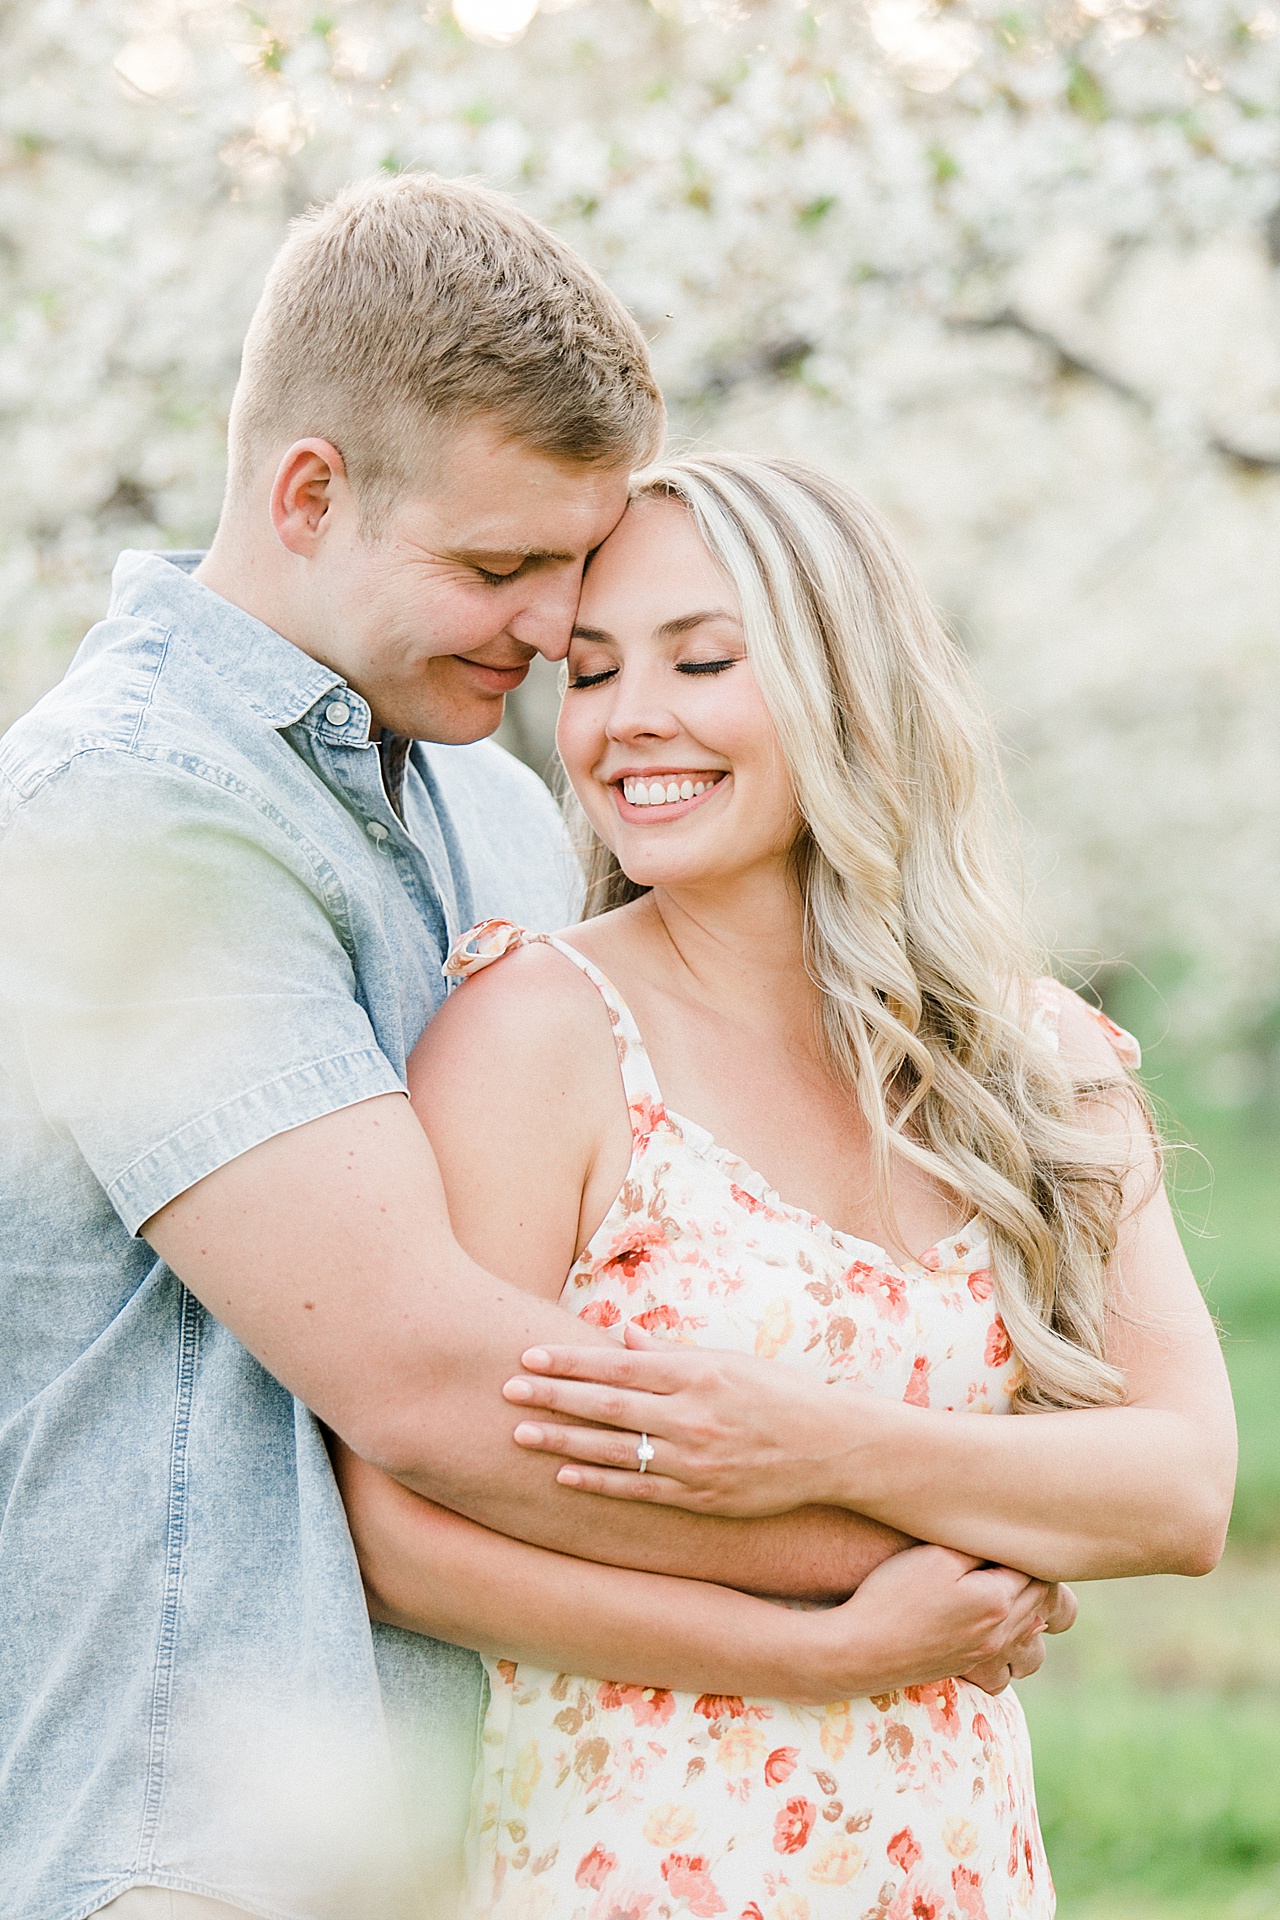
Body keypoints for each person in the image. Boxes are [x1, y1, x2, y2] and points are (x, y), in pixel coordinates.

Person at [0, 178, 1048, 1920]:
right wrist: (933, 1552)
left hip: (475, 1837)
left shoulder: (486, 801)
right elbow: (433, 1382)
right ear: (310, 493)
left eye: (572, 562)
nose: (561, 630)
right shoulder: (130, 816)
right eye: (501, 565)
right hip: (181, 1840)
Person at [335, 455, 1238, 1919]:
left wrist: (811, 1445)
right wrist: (828, 1646)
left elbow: (1182, 1491)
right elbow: (399, 1528)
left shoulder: (1035, 1059)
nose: (630, 723)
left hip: (953, 1859)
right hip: (629, 1859)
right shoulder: (539, 1035)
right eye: (594, 670)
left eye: (702, 659)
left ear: (845, 685)